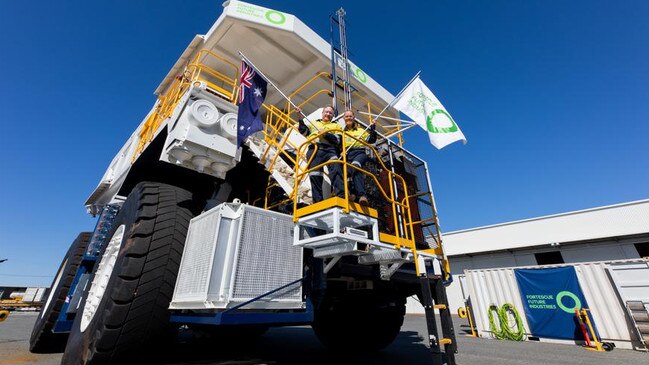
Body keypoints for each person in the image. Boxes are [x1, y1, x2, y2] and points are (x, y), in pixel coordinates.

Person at [297, 105, 344, 203]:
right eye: (326, 112)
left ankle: (341, 196)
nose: (328, 114)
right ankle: (318, 201)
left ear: (332, 116)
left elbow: (338, 140)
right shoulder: (313, 123)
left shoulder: (336, 126)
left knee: (336, 168)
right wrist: (300, 118)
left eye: (330, 113)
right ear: (322, 113)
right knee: (315, 175)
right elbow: (304, 131)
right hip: (314, 149)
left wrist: (326, 134)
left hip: (330, 150)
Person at [341, 110, 377, 205]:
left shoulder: (361, 131)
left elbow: (372, 140)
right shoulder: (341, 133)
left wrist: (373, 127)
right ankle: (351, 193)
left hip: (359, 153)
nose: (348, 118)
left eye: (350, 116)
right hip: (347, 154)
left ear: (354, 118)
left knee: (355, 166)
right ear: (344, 119)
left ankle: (362, 195)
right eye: (347, 116)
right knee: (344, 172)